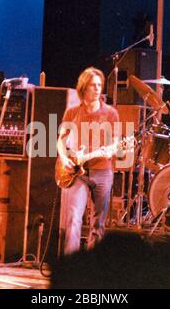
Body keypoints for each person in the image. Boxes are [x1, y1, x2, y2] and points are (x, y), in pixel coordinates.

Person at [57, 67, 119, 255]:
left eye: (100, 85)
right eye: (93, 85)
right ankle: (71, 267)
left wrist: (107, 151)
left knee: (98, 222)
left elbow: (114, 145)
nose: (98, 89)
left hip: (102, 172)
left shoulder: (111, 113)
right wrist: (64, 157)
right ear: (84, 87)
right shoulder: (72, 112)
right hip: (77, 172)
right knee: (74, 217)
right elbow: (61, 140)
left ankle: (93, 268)